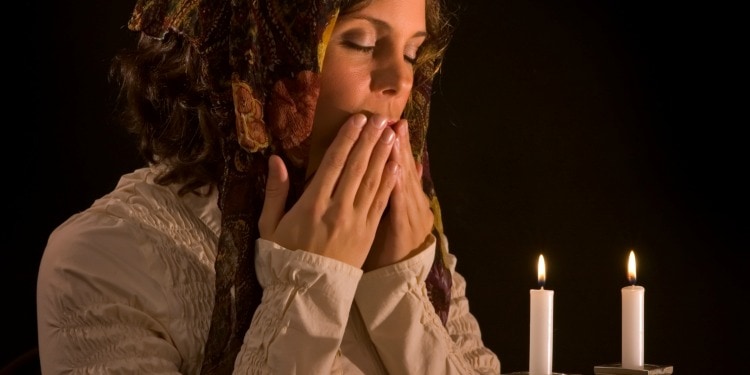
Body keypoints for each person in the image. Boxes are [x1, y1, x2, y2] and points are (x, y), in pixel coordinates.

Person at [36, 0, 501, 373]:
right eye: (361, 42)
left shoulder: (405, 230)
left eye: (411, 53)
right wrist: (312, 282)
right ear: (249, 63)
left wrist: (402, 286)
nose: (401, 80)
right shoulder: (102, 259)